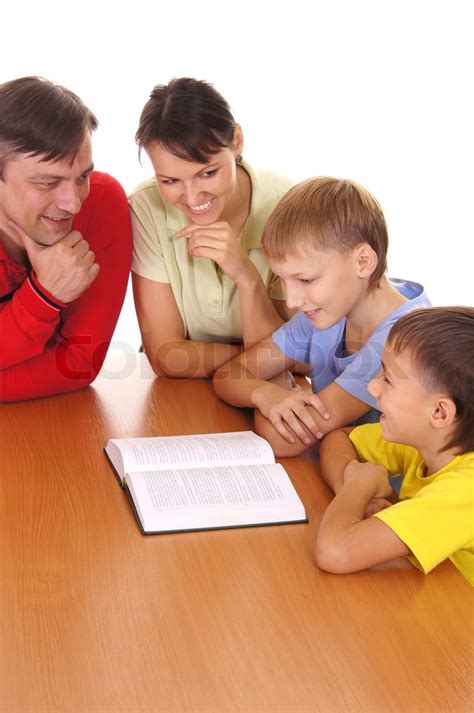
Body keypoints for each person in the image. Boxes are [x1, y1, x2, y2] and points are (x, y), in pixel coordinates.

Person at [213, 177, 430, 456]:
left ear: (363, 262)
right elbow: (228, 376)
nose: (292, 300)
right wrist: (267, 394)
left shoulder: (401, 341)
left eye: (305, 279)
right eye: (283, 280)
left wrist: (275, 380)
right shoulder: (329, 309)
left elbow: (283, 440)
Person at [129, 77, 294, 379]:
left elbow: (301, 359)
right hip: (184, 392)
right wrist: (264, 358)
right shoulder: (145, 208)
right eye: (169, 181)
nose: (192, 198)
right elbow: (168, 356)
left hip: (277, 389)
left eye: (208, 173)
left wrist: (245, 275)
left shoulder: (290, 207)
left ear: (237, 141)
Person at [315, 307, 474, 585]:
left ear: (439, 412)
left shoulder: (466, 491)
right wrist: (351, 487)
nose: (373, 388)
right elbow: (338, 438)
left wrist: (358, 487)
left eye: (387, 379)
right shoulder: (426, 441)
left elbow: (334, 552)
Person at [0, 76, 131, 402]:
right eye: (47, 183)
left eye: (82, 176)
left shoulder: (102, 202)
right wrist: (43, 297)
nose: (73, 203)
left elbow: (78, 363)